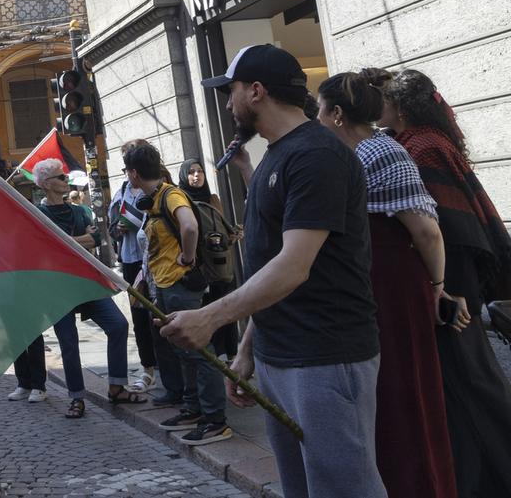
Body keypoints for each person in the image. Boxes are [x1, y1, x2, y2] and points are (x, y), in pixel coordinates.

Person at [160, 44, 387, 498]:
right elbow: (266, 265)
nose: (228, 103)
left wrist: (210, 317)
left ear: (257, 91)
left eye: (233, 91)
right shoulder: (272, 159)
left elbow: (293, 267)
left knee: (345, 489)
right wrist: (248, 350)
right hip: (280, 356)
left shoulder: (317, 155)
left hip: (325, 356)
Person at [316, 71, 458, 498]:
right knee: (394, 394)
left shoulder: (375, 152)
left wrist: (437, 285)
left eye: (321, 108)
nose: (317, 116)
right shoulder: (356, 153)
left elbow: (426, 230)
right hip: (375, 287)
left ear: (338, 113)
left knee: (401, 393)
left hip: (390, 286)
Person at [373, 67, 511, 498]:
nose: (379, 108)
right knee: (460, 380)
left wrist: (443, 288)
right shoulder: (418, 142)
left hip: (450, 280)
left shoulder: (422, 147)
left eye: (384, 101)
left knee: (469, 378)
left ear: (399, 106)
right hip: (445, 277)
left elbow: (442, 225)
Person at [123, 145, 229, 445]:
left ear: (133, 173)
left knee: (199, 351)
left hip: (181, 285)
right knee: (184, 351)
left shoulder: (171, 195)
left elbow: (190, 226)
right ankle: (193, 409)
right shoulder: (155, 199)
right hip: (165, 287)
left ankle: (215, 419)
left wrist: (186, 256)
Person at [26, 159, 142, 418]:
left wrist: (64, 241)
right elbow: (47, 247)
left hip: (87, 281)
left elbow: (96, 239)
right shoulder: (37, 214)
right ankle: (76, 398)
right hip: (58, 288)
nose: (65, 181)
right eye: (60, 178)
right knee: (68, 342)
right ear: (46, 184)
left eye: (65, 177)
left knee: (118, 325)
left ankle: (116, 387)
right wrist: (78, 240)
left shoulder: (79, 211)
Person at [109, 139, 158, 393]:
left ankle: (168, 369)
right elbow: (110, 222)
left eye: (131, 157)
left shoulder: (157, 186)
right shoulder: (122, 189)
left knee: (158, 315)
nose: (128, 166)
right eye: (125, 158)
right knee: (139, 316)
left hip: (152, 259)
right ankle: (148, 367)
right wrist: (116, 228)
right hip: (130, 258)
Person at [178, 159, 238, 361]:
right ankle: (216, 354)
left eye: (200, 171)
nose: (197, 176)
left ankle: (231, 354)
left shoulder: (213, 199)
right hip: (200, 267)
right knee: (208, 311)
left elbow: (221, 227)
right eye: (192, 172)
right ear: (184, 176)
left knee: (228, 310)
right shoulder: (181, 200)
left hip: (221, 262)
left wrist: (231, 236)